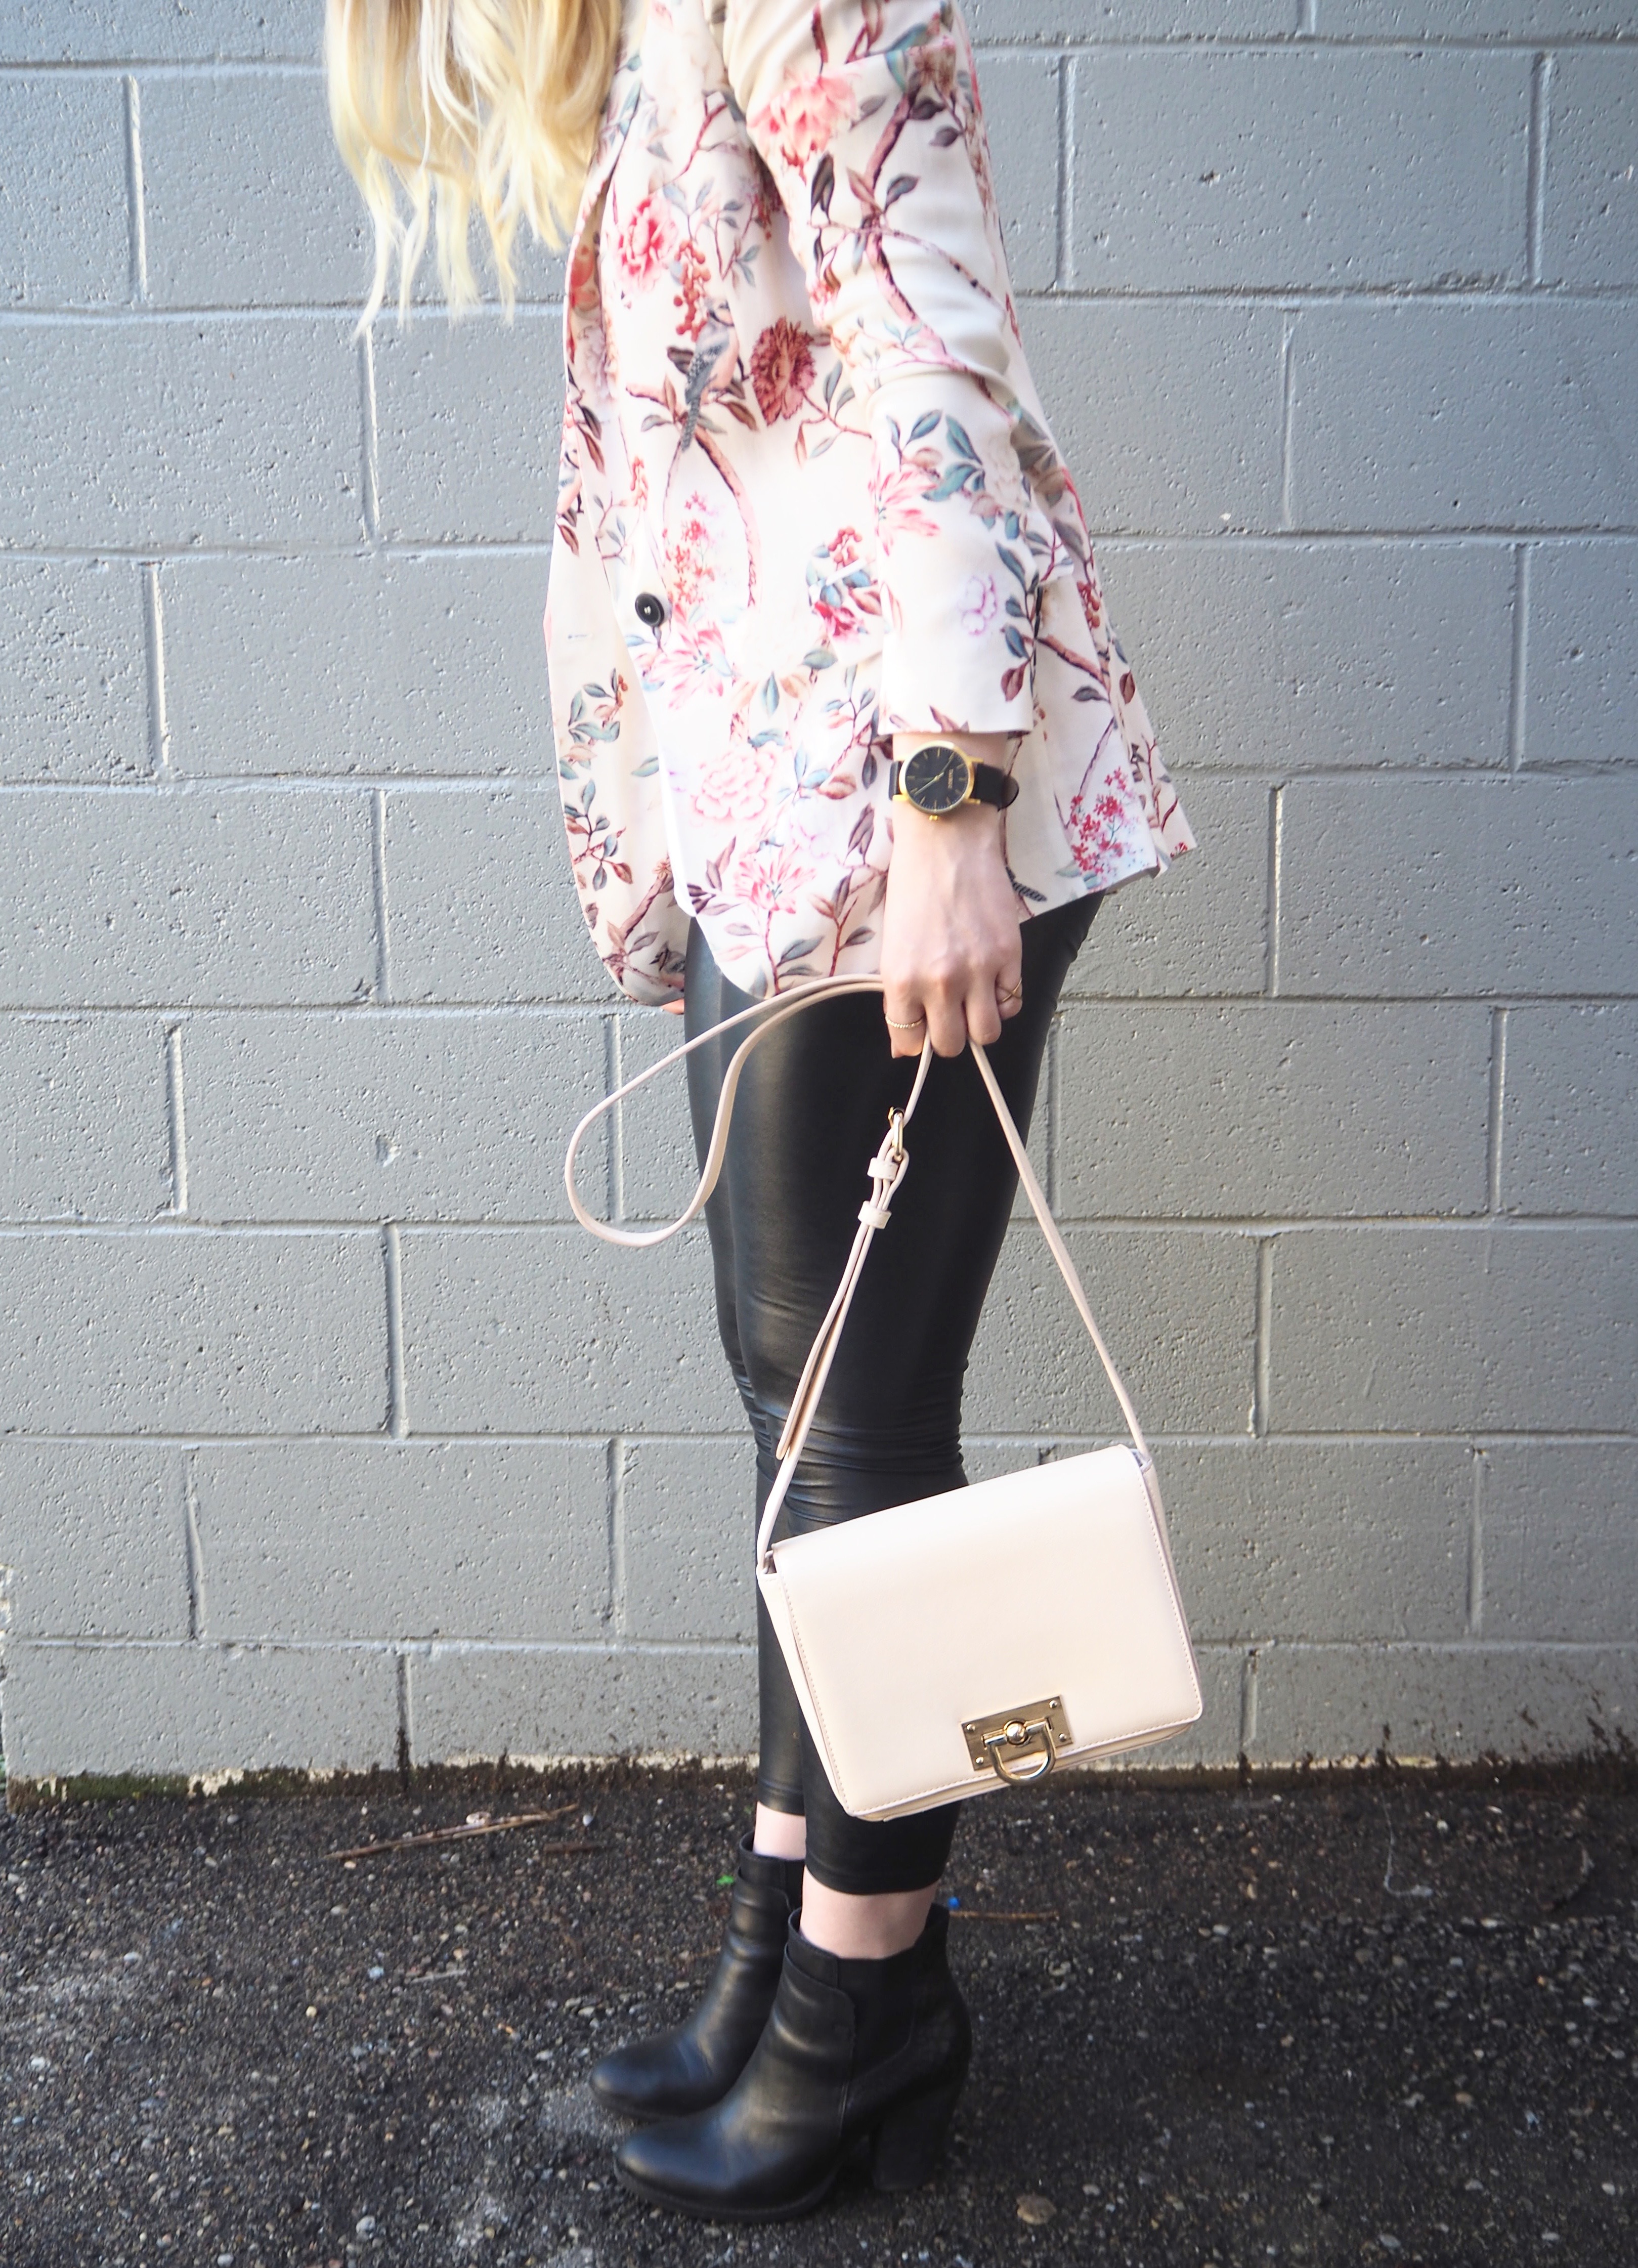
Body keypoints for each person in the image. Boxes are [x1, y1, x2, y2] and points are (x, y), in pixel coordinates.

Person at [328, 0, 1194, 2221]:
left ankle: (866, 2007)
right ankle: (785, 1937)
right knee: (799, 1405)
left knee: (858, 1424)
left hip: (891, 806)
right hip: (773, 806)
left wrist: (950, 795)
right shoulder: (658, 42)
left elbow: (937, 366)